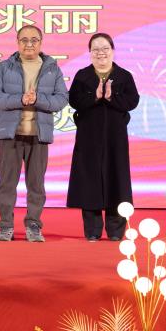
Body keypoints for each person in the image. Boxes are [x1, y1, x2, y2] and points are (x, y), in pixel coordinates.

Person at [0, 25, 68, 242]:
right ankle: (5, 227)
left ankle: (33, 226)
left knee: (36, 185)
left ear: (41, 42)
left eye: (34, 40)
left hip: (38, 136)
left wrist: (38, 100)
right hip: (10, 136)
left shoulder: (52, 68)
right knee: (7, 184)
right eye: (24, 40)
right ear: (17, 42)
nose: (29, 44)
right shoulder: (5, 67)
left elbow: (61, 99)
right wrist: (21, 99)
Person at [66, 33, 140, 241]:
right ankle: (92, 230)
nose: (101, 53)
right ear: (90, 53)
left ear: (112, 51)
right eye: (96, 49)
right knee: (89, 180)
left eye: (105, 48)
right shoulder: (83, 75)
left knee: (117, 178)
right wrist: (95, 96)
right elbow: (74, 100)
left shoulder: (124, 76)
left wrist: (111, 96)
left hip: (115, 137)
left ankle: (116, 231)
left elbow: (132, 101)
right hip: (88, 136)